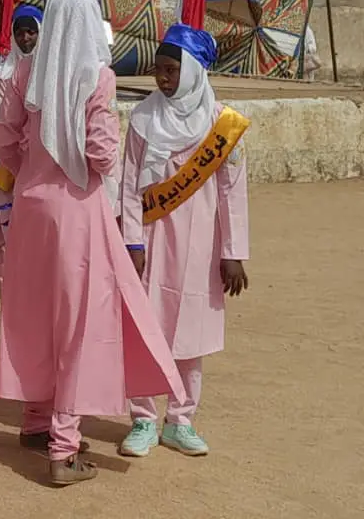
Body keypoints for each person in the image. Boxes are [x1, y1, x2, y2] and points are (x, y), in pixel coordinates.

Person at [0, 0, 184, 487]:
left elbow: (2, 141)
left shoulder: (26, 73)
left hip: (31, 207)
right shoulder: (96, 76)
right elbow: (101, 153)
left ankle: (36, 420)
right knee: (78, 323)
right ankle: (64, 447)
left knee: (36, 315)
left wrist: (34, 170)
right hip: (77, 209)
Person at [118, 24, 251, 458]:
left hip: (200, 245)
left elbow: (233, 191)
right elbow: (129, 186)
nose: (163, 78)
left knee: (191, 333)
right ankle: (142, 417)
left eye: (172, 70)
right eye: (158, 70)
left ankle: (181, 420)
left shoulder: (220, 124)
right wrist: (132, 242)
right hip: (152, 243)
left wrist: (233, 253)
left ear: (193, 70)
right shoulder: (143, 119)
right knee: (145, 330)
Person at [0, 4, 42, 285]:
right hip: (12, 163)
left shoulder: (50, 74)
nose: (26, 38)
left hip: (42, 163)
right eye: (20, 32)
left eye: (32, 32)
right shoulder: (3, 75)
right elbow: (7, 123)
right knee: (9, 235)